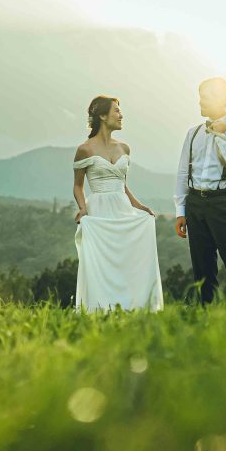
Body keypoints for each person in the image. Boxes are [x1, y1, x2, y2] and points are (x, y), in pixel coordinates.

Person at [72, 95, 164, 312]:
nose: (121, 115)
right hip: (99, 210)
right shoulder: (85, 149)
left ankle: (134, 305)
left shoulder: (125, 148)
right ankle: (101, 308)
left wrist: (138, 206)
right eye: (117, 111)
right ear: (103, 116)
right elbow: (78, 186)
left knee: (127, 259)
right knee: (102, 263)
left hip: (122, 207)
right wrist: (83, 209)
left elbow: (123, 184)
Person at [174, 77, 226, 304]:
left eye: (205, 97)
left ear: (220, 99)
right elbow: (182, 173)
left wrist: (221, 134)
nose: (200, 102)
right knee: (202, 266)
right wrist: (181, 210)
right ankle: (205, 312)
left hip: (223, 202)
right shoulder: (193, 133)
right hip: (195, 202)